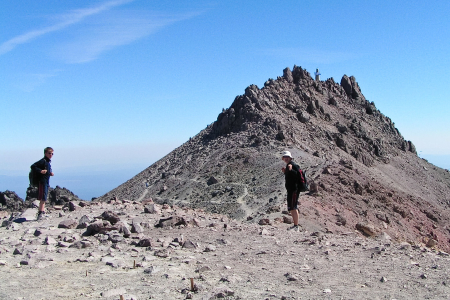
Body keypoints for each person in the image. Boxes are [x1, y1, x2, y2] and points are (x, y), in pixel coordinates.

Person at [31, 147, 54, 220]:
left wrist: (49, 173)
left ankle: (42, 211)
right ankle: (40, 213)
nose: (51, 155)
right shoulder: (43, 161)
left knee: (44, 197)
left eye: (52, 154)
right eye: (49, 153)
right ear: (45, 153)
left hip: (46, 181)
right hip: (42, 181)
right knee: (43, 197)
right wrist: (40, 171)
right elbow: (33, 166)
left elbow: (45, 171)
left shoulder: (47, 162)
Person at [281, 150, 301, 231]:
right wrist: (285, 172)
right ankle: (295, 225)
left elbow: (297, 176)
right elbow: (290, 177)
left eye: (287, 157)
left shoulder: (293, 165)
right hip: (290, 189)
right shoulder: (288, 165)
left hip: (294, 190)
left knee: (294, 207)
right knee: (292, 207)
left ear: (290, 158)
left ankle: (296, 226)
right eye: (284, 157)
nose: (286, 158)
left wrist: (291, 170)